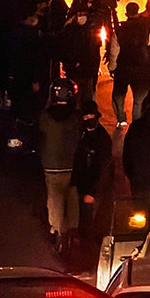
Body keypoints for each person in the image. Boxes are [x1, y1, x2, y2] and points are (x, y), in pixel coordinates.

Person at [39, 79, 82, 249]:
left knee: (54, 197)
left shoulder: (46, 117)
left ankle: (57, 230)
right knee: (72, 195)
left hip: (51, 165)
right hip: (72, 163)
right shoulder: (76, 117)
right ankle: (73, 229)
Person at [72, 101, 111, 241]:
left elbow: (103, 169)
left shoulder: (102, 139)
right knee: (81, 218)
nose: (88, 120)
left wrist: (92, 192)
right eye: (86, 117)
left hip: (92, 188)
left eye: (90, 117)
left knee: (88, 221)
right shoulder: (81, 133)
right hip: (81, 184)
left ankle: (86, 247)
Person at [109, 1, 150, 126]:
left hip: (123, 66)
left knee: (119, 94)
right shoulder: (146, 27)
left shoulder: (119, 30)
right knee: (139, 98)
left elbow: (114, 50)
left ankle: (121, 118)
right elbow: (149, 41)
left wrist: (112, 66)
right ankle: (137, 123)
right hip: (141, 66)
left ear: (126, 13)